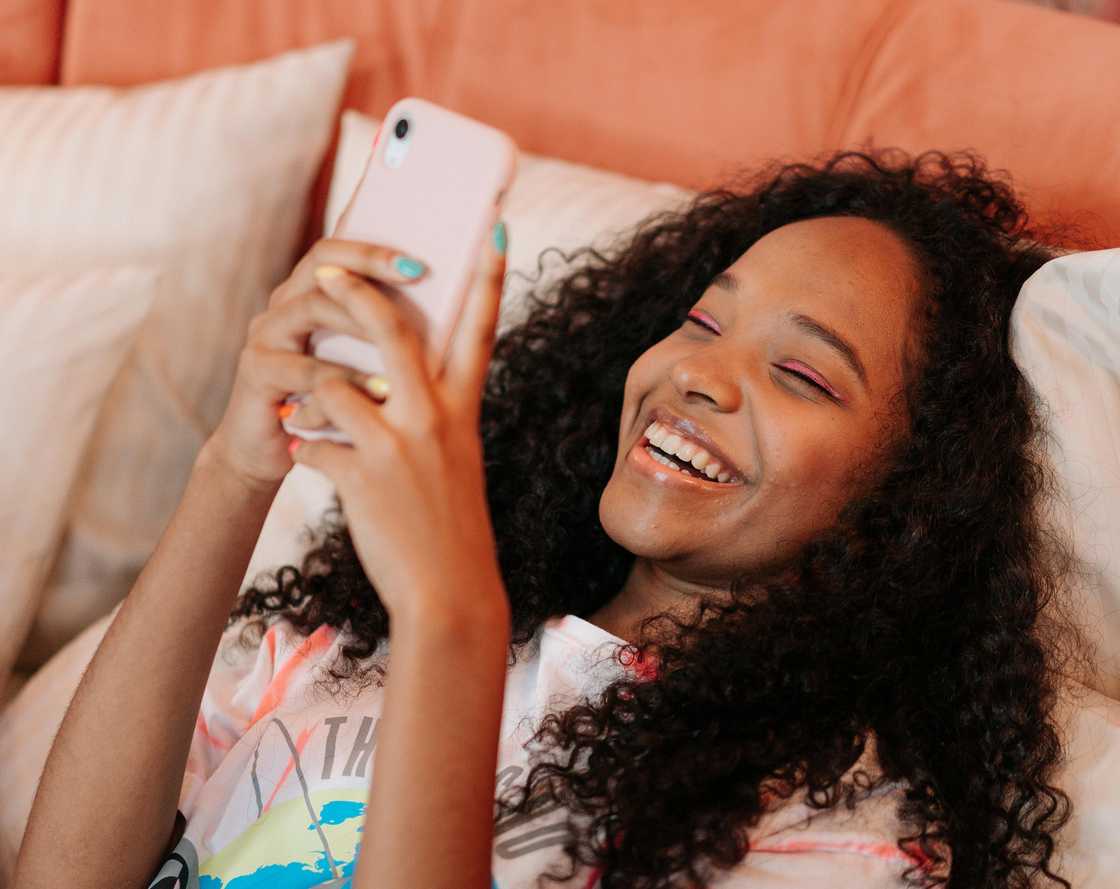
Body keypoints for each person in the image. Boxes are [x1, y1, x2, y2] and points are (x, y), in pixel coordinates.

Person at [15, 149, 1092, 889]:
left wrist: (452, 615)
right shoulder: (355, 636)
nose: (697, 374)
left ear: (911, 501)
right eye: (701, 319)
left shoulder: (837, 832)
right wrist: (233, 469)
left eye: (801, 374)